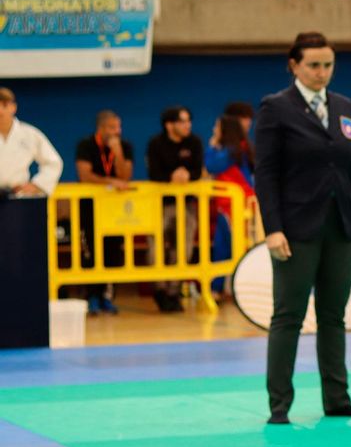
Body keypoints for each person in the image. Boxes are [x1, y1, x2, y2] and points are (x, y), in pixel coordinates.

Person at [255, 32, 351, 425]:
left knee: (334, 316)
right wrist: (273, 228)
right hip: (295, 229)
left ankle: (337, 398)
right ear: (294, 65)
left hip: (342, 226)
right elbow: (266, 174)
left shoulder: (344, 106)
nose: (321, 72)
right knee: (288, 316)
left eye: (328, 64)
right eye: (313, 64)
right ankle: (280, 406)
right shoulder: (275, 108)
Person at [75, 110, 134, 316]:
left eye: (118, 127)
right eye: (112, 127)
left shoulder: (124, 146)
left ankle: (107, 296)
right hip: (89, 208)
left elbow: (125, 176)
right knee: (90, 252)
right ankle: (91, 295)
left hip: (114, 211)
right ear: (101, 128)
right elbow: (85, 175)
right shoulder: (86, 145)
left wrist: (117, 152)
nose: (116, 131)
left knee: (113, 253)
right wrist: (109, 182)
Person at [146, 105, 203, 313]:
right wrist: (171, 178)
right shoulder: (156, 144)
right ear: (170, 125)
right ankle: (159, 288)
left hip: (186, 204)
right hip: (162, 204)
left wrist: (187, 175)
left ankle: (174, 289)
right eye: (183, 121)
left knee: (184, 247)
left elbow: (197, 170)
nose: (188, 125)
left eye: (189, 120)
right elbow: (154, 173)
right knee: (156, 247)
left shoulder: (194, 142)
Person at [206, 113, 255, 294]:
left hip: (236, 207)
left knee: (234, 247)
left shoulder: (234, 150)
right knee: (223, 247)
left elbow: (211, 165)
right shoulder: (235, 149)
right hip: (227, 207)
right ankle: (217, 288)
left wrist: (211, 146)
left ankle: (242, 288)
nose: (213, 130)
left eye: (216, 127)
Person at [0, 87, 62, 197]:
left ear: (13, 107)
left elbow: (53, 163)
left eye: (4, 105)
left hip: (18, 197)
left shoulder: (30, 134)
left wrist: (37, 185)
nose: (0, 110)